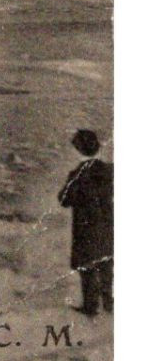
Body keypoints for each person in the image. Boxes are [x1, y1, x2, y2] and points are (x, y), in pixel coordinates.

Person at [58, 130, 112, 317]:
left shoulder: (77, 175)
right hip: (109, 228)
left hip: (86, 230)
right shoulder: (111, 170)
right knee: (108, 265)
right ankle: (109, 304)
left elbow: (63, 200)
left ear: (79, 150)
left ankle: (91, 308)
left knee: (87, 269)